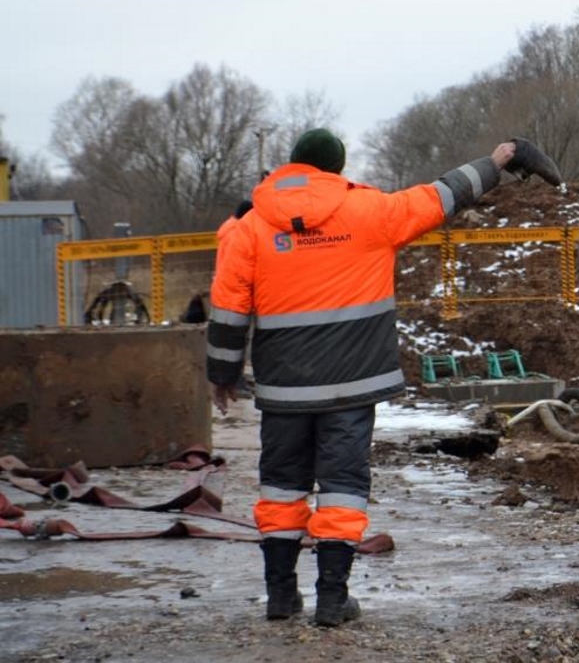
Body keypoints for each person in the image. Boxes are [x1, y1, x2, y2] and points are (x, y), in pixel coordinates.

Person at [205, 128, 560, 627]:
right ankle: (332, 600)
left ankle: (281, 597)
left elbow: (227, 310)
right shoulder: (369, 212)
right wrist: (498, 160)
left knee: (282, 487)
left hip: (284, 391)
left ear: (292, 166)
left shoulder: (248, 228)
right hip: (352, 387)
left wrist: (221, 375)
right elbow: (442, 195)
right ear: (335, 170)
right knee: (343, 486)